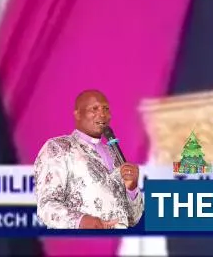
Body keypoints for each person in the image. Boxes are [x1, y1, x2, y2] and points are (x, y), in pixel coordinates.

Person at [33, 89, 144, 229]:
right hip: (82, 240)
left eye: (106, 109)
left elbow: (133, 219)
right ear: (78, 114)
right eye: (94, 109)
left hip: (118, 239)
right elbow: (46, 205)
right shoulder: (59, 147)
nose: (102, 114)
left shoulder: (114, 154)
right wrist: (80, 221)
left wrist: (132, 189)